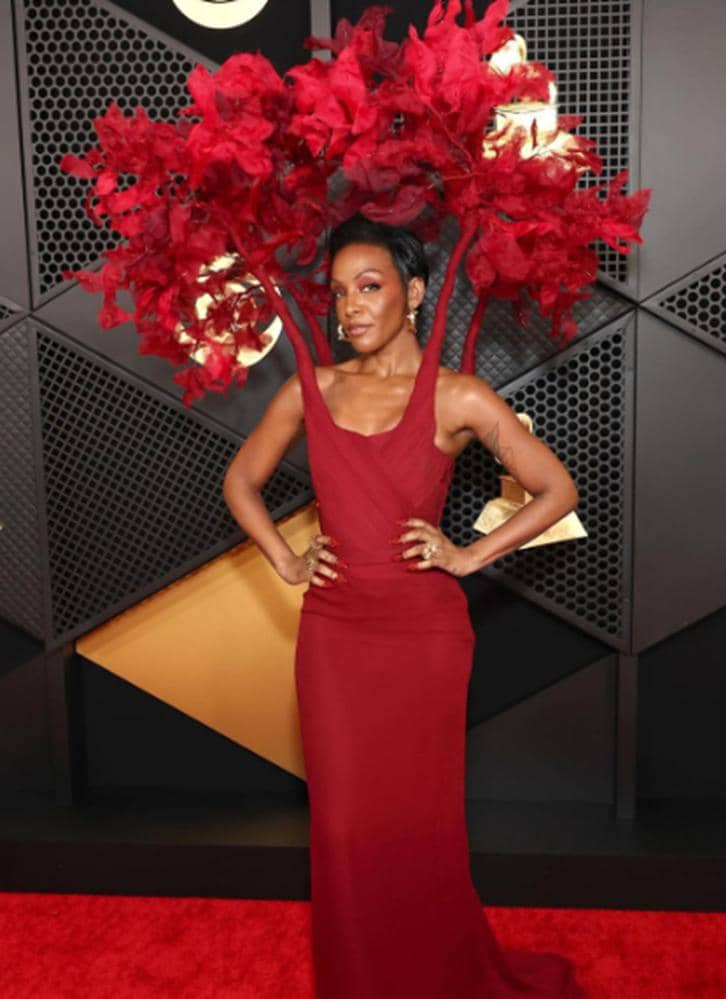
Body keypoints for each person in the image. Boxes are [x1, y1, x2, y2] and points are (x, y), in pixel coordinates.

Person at [223, 213, 585, 998]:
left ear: (414, 293)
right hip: (335, 635)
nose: (349, 307)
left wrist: (468, 555)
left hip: (424, 639)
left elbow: (557, 489)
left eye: (369, 286)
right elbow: (240, 481)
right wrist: (287, 558)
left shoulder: (457, 395)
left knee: (422, 826)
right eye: (338, 292)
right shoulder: (313, 388)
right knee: (344, 827)